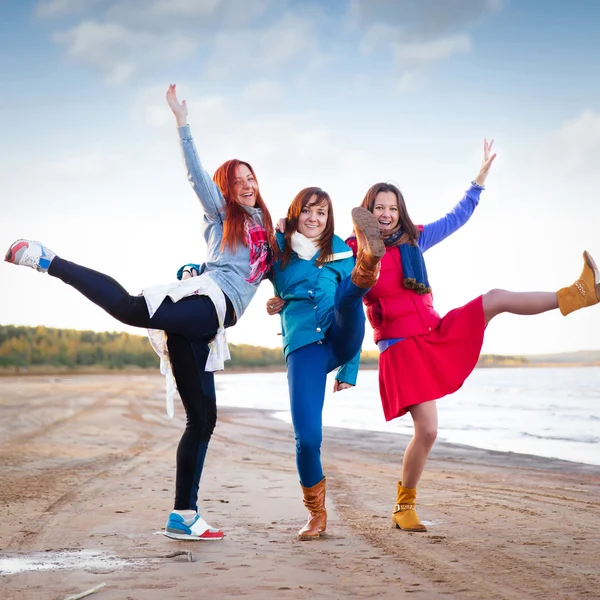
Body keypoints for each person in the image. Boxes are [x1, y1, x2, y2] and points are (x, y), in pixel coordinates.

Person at [4, 84, 278, 542]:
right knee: (133, 309)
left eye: (251, 179)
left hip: (209, 328)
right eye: (237, 180)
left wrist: (281, 300)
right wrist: (183, 124)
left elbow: (284, 273)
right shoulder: (222, 213)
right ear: (226, 188)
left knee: (203, 420)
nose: (247, 186)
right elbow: (195, 177)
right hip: (206, 302)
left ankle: (183, 516)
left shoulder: (268, 232)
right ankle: (46, 259)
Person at [346, 139, 600, 532]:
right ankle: (404, 505)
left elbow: (456, 217)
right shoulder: (351, 251)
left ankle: (578, 294)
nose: (387, 213)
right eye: (379, 207)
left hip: (433, 331)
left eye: (393, 208)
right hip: (399, 344)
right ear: (367, 210)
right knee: (428, 430)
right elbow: (339, 291)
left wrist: (477, 183)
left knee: (494, 298)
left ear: (401, 213)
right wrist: (363, 261)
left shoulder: (415, 239)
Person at [265, 187, 384, 540]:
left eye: (321, 212)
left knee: (349, 298)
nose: (314, 218)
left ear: (329, 218)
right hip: (304, 347)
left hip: (339, 334)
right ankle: (316, 515)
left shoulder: (339, 255)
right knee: (307, 438)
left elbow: (357, 316)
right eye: (307, 212)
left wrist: (349, 368)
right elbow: (242, 267)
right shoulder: (280, 256)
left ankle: (369, 262)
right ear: (296, 214)